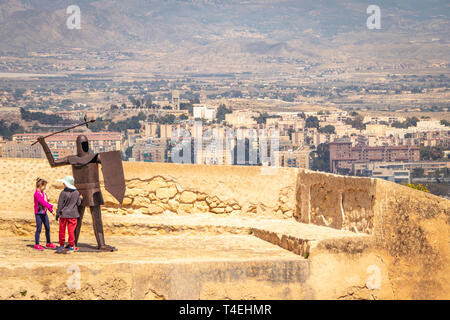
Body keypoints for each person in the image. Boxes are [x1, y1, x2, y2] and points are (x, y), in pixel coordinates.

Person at [56, 176, 82, 253]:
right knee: (71, 231)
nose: (63, 184)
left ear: (67, 184)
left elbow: (60, 205)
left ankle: (61, 245)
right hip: (73, 215)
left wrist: (57, 214)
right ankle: (71, 246)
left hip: (63, 214)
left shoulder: (63, 192)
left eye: (64, 183)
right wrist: (80, 198)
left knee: (62, 230)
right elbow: (79, 203)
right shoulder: (77, 193)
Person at [33, 178, 57, 250]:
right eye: (44, 186)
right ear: (40, 185)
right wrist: (52, 206)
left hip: (44, 213)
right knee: (39, 228)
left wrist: (51, 211)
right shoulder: (36, 194)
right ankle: (36, 244)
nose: (45, 188)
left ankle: (48, 243)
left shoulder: (44, 194)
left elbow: (45, 204)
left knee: (47, 228)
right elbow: (43, 203)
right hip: (38, 214)